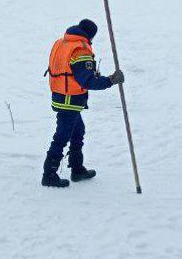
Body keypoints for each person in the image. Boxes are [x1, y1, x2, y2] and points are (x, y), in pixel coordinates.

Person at [43, 19, 125, 188]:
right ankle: (49, 174)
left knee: (78, 131)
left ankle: (77, 169)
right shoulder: (80, 49)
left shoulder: (62, 42)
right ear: (90, 35)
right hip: (70, 100)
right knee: (62, 136)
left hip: (60, 95)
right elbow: (87, 81)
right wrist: (110, 80)